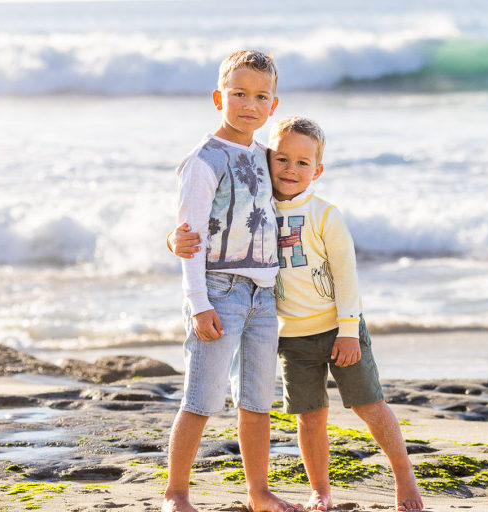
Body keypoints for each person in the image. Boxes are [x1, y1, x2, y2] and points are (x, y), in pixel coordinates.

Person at [169, 117, 424, 512]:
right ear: (267, 160)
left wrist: (349, 330)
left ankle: (406, 481)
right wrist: (173, 238)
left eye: (303, 163)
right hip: (291, 337)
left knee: (369, 405)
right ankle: (319, 490)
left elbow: (346, 275)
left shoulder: (325, 214)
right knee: (309, 416)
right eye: (282, 159)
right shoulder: (262, 203)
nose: (291, 169)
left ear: (317, 170)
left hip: (339, 329)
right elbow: (210, 223)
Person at [164, 50, 301, 512]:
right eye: (239, 94)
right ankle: (176, 493)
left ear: (273, 105)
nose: (249, 104)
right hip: (218, 293)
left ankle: (259, 493)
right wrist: (198, 302)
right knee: (201, 397)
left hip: (264, 296)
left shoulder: (266, 155)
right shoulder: (205, 160)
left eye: (261, 96)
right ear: (218, 97)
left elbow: (298, 189)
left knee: (257, 401)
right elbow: (190, 236)